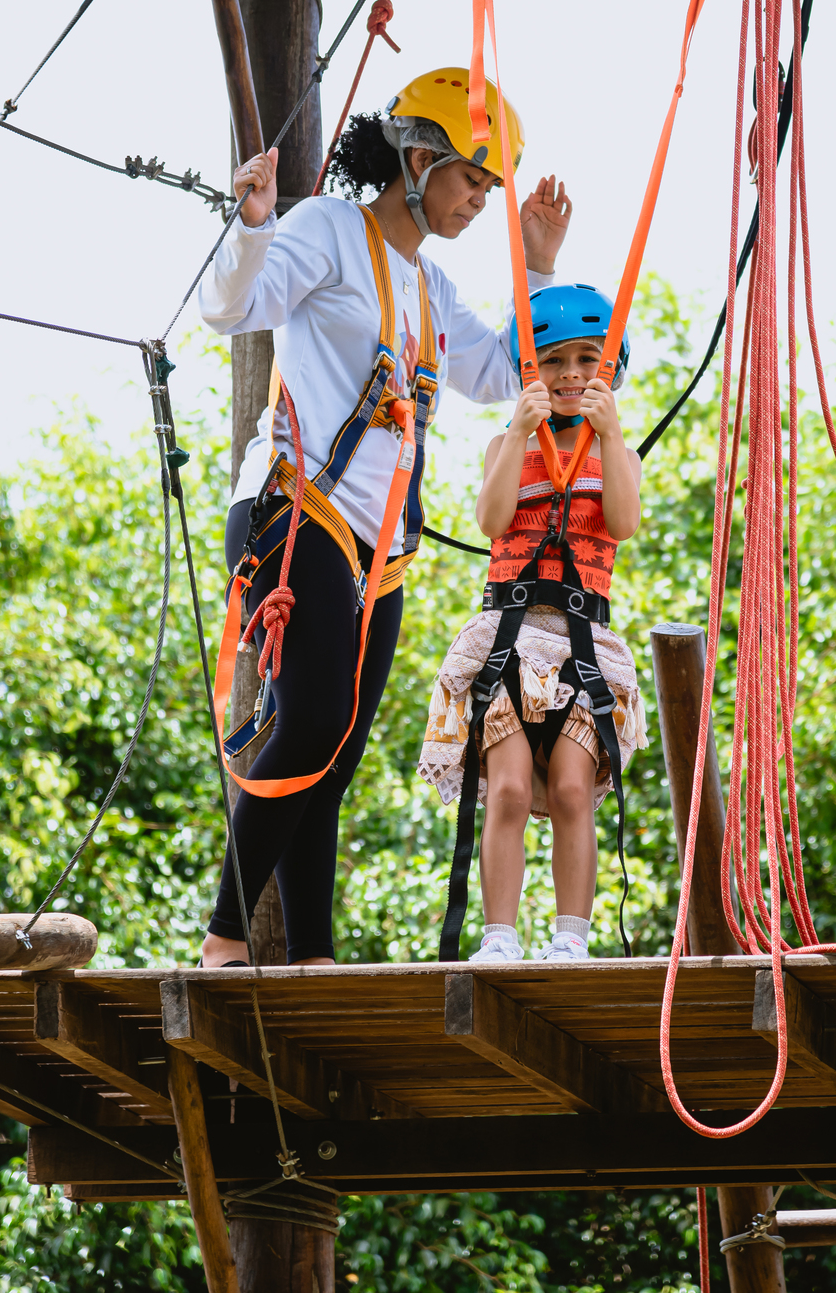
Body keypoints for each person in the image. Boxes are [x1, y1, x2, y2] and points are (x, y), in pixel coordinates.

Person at [196, 69, 571, 967]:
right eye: (471, 179)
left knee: (337, 750)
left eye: (489, 186)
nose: (479, 200)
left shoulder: (429, 287)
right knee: (314, 719)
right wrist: (253, 224)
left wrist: (538, 265)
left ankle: (311, 954)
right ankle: (224, 937)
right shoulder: (329, 227)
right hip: (296, 510)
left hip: (377, 548)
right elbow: (231, 307)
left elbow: (501, 373)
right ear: (418, 160)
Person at [419, 286, 648, 963]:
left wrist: (611, 435)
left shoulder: (617, 452)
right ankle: (499, 937)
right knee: (511, 789)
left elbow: (622, 524)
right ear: (528, 372)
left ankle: (571, 938)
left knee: (574, 787)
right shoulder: (506, 444)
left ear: (610, 368)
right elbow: (491, 522)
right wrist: (519, 432)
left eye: (587, 360)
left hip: (582, 643)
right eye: (553, 361)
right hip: (509, 638)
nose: (571, 374)